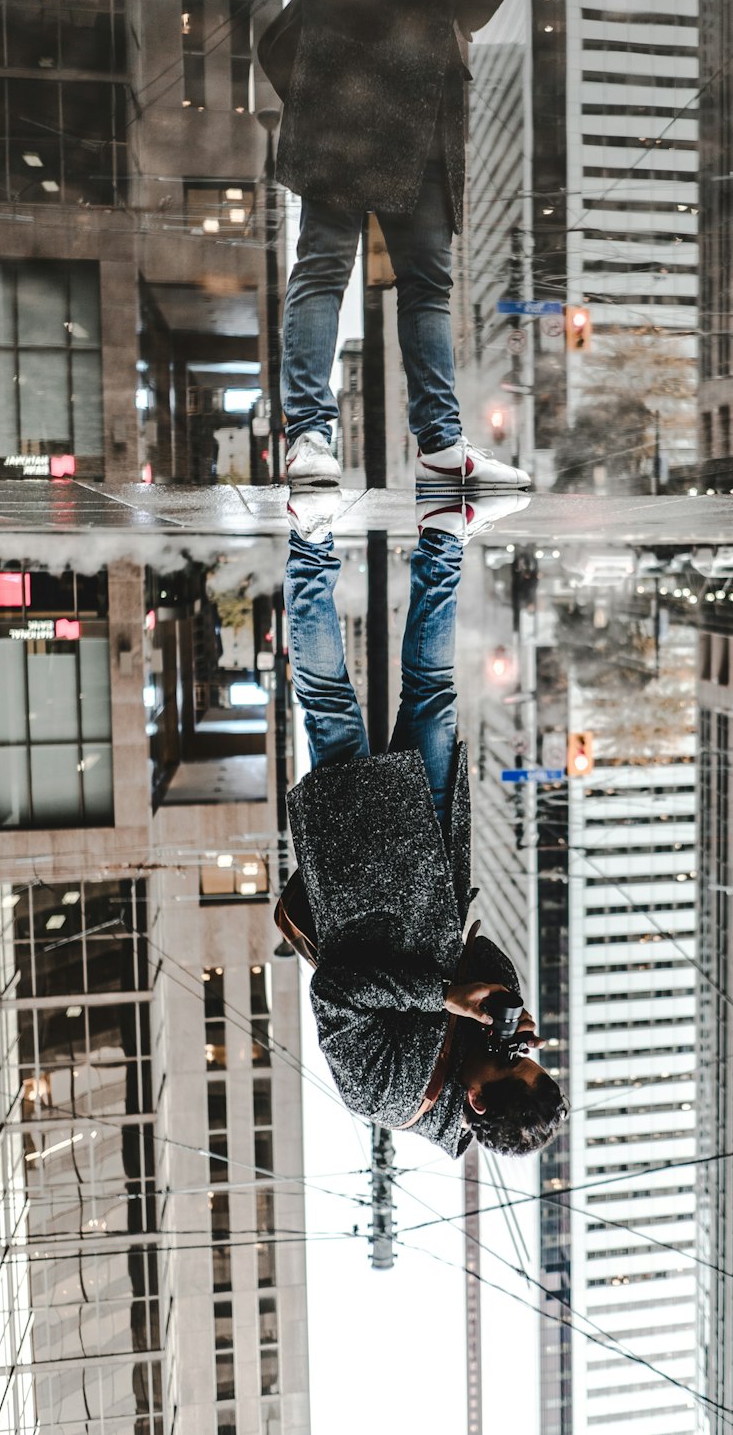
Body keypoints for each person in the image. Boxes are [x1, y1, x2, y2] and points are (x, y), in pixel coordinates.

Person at [276, 488, 567, 1157]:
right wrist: (507, 1008)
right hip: (431, 847)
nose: (509, 1050)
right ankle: (445, 534)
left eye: (509, 1061)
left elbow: (336, 989)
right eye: (529, 1053)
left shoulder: (382, 1094)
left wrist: (445, 997)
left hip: (359, 866)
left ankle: (310, 538)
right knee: (432, 687)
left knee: (326, 698)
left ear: (477, 1100)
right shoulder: (485, 1058)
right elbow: (483, 953)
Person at [274, 0, 558, 493]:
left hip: (428, 90)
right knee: (324, 260)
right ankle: (309, 431)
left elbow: (474, 6)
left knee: (429, 282)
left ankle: (440, 442)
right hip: (351, 83)